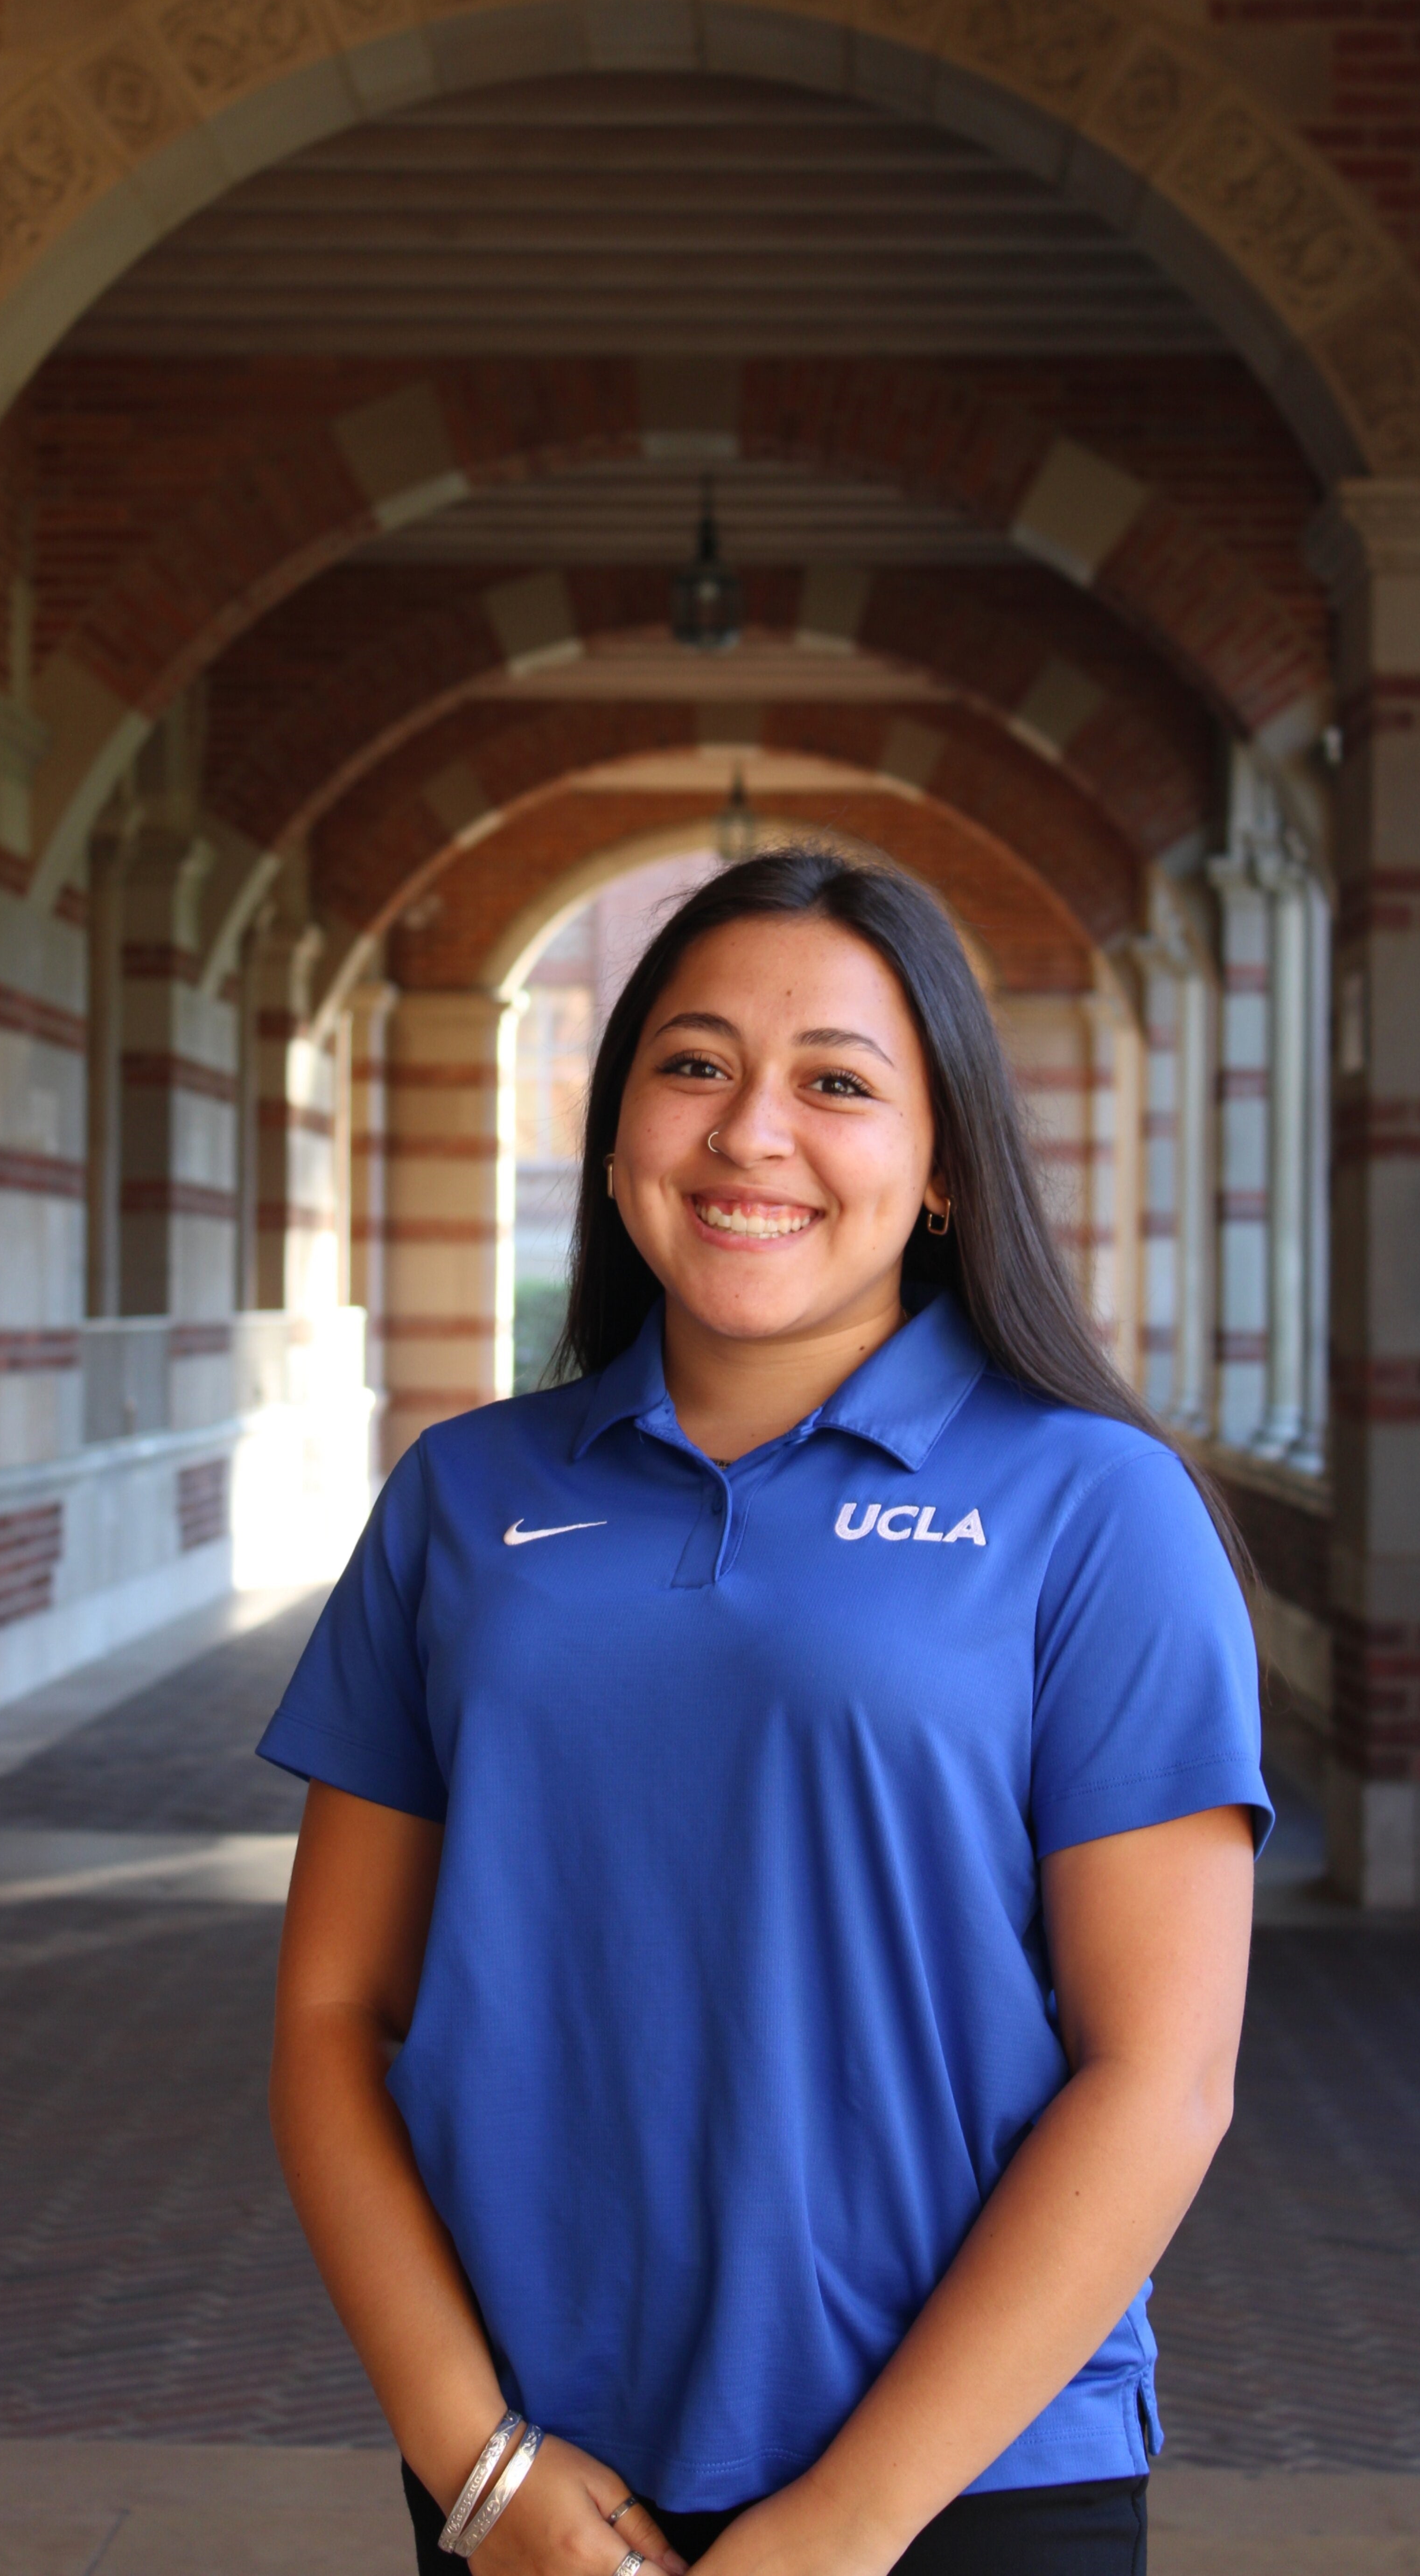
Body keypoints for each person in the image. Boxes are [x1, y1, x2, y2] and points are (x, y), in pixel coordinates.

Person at [259, 845, 1270, 2576]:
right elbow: (334, 2016)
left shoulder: (1096, 1508)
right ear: (617, 1126)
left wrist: (841, 2530)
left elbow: (1161, 2077)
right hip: (543, 2495)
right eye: (696, 1065)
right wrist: (477, 2465)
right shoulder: (463, 1500)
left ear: (944, 1165)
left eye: (839, 1085)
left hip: (970, 2491)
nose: (751, 1135)